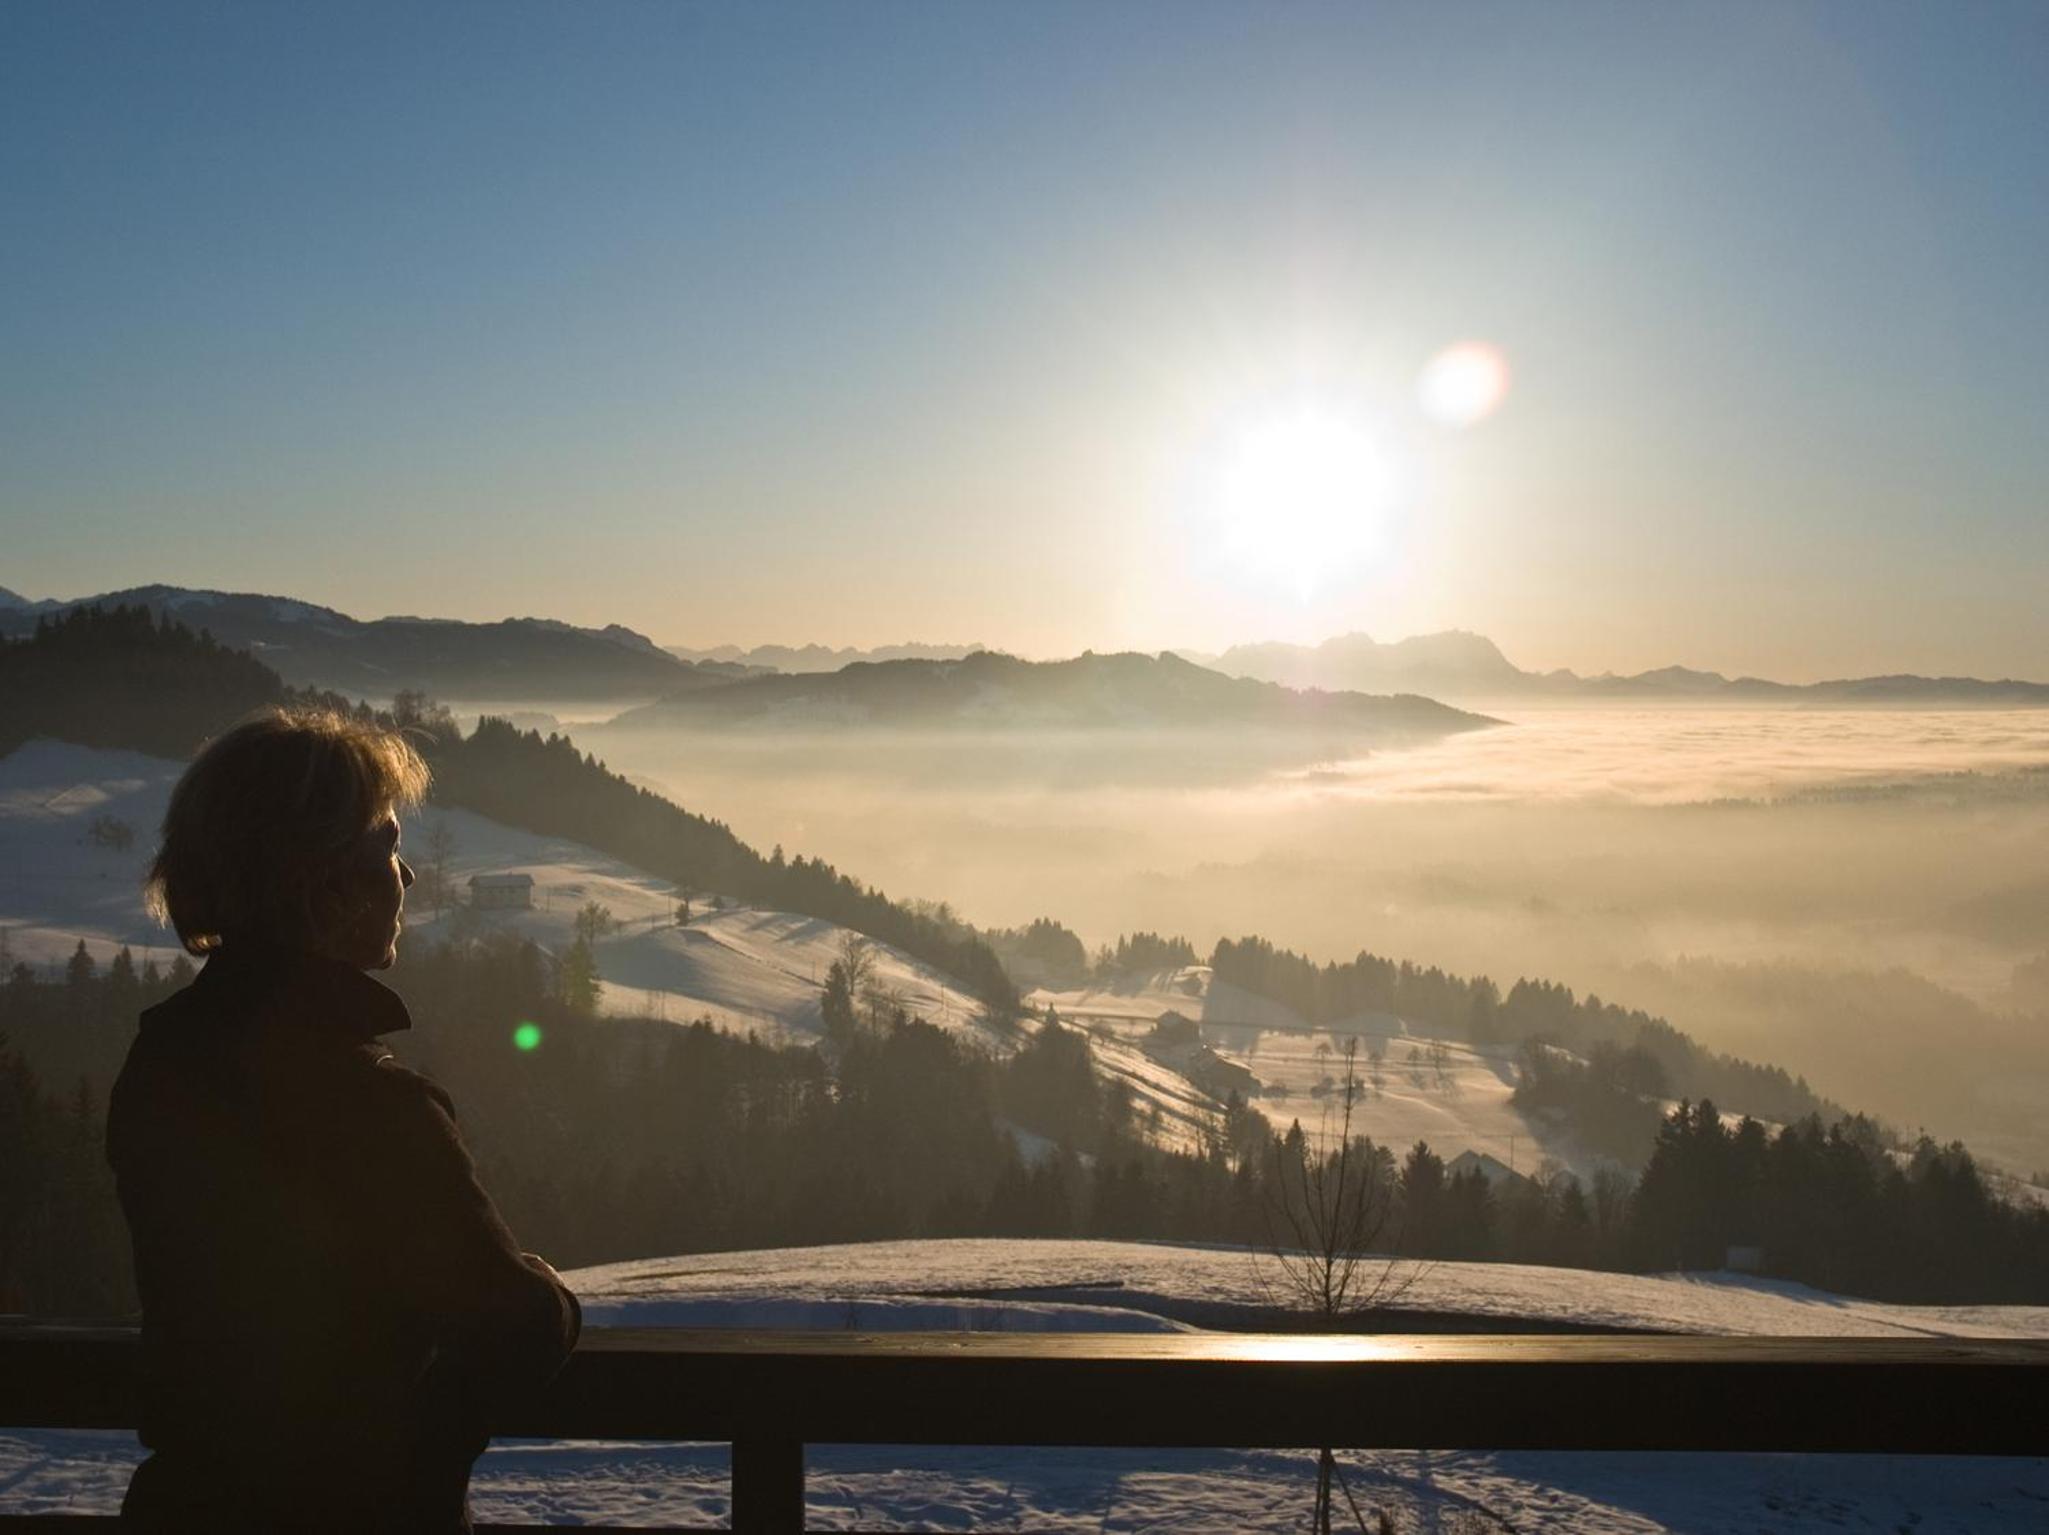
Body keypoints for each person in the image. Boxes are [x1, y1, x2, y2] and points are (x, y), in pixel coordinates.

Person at [107, 708, 580, 1533]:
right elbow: (517, 1324)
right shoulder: (370, 1105)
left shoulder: (162, 1065)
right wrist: (546, 1288)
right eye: (386, 849)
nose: (408, 876)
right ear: (321, 885)